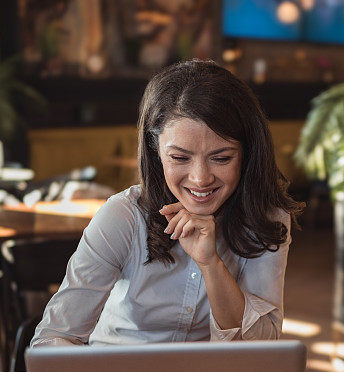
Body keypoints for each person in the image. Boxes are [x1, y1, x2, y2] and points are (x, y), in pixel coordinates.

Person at [31, 60, 303, 347]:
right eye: (180, 158)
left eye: (222, 158)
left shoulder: (267, 217)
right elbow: (53, 337)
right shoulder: (123, 216)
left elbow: (262, 345)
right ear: (155, 151)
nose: (200, 179)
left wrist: (210, 264)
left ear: (248, 154)